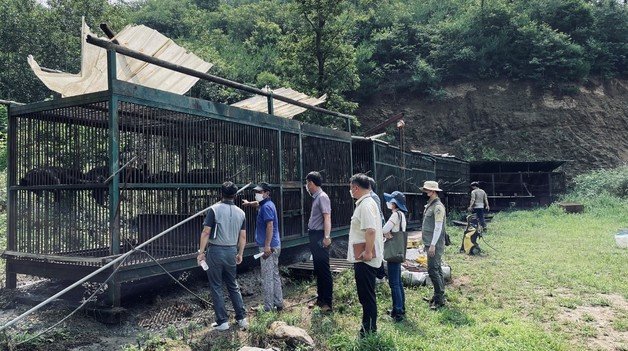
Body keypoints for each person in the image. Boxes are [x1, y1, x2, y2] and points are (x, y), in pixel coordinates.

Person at [197, 181, 248, 331]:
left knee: (216, 285)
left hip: (216, 251)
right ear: (235, 195)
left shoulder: (214, 209)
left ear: (221, 194)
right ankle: (242, 318)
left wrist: (201, 253)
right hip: (232, 251)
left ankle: (222, 321)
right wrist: (240, 253)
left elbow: (206, 232)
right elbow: (243, 237)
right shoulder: (242, 213)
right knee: (233, 284)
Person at [347, 173, 384, 336]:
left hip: (366, 258)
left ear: (355, 187)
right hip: (363, 256)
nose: (350, 191)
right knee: (366, 295)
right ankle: (367, 327)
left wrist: (368, 252)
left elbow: (370, 230)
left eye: (351, 188)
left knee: (367, 296)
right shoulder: (366, 203)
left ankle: (368, 330)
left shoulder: (366, 204)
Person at [244, 182, 284, 312]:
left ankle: (268, 308)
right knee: (274, 275)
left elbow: (270, 226)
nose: (257, 194)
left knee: (267, 277)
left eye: (260, 192)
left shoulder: (266, 207)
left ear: (267, 193)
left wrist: (266, 246)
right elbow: (257, 204)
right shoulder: (267, 204)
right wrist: (250, 203)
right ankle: (278, 303)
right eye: (256, 192)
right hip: (275, 245)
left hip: (269, 247)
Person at [305, 171, 333, 312]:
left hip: (320, 235)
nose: (307, 186)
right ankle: (320, 299)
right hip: (314, 235)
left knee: (324, 269)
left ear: (312, 183)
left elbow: (327, 217)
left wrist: (326, 237)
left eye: (307, 183)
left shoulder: (322, 197)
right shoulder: (316, 197)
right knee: (318, 268)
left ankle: (327, 303)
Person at [420, 180, 447, 310]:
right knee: (437, 269)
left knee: (433, 270)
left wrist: (432, 245)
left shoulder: (438, 207)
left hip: (434, 244)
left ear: (433, 191)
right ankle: (439, 296)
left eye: (427, 190)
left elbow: (438, 227)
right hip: (431, 242)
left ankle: (439, 299)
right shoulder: (431, 205)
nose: (425, 192)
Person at [382, 191, 408, 322]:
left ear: (394, 203)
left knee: (394, 283)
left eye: (391, 201)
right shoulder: (402, 215)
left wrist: (386, 234)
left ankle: (397, 311)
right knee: (398, 282)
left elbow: (384, 229)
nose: (389, 203)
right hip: (399, 251)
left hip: (392, 252)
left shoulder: (395, 215)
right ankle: (400, 308)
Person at [368, 176, 387, 282]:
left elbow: (378, 213)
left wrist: (381, 228)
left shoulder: (373, 196)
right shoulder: (369, 196)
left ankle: (381, 275)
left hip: (376, 227)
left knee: (376, 250)